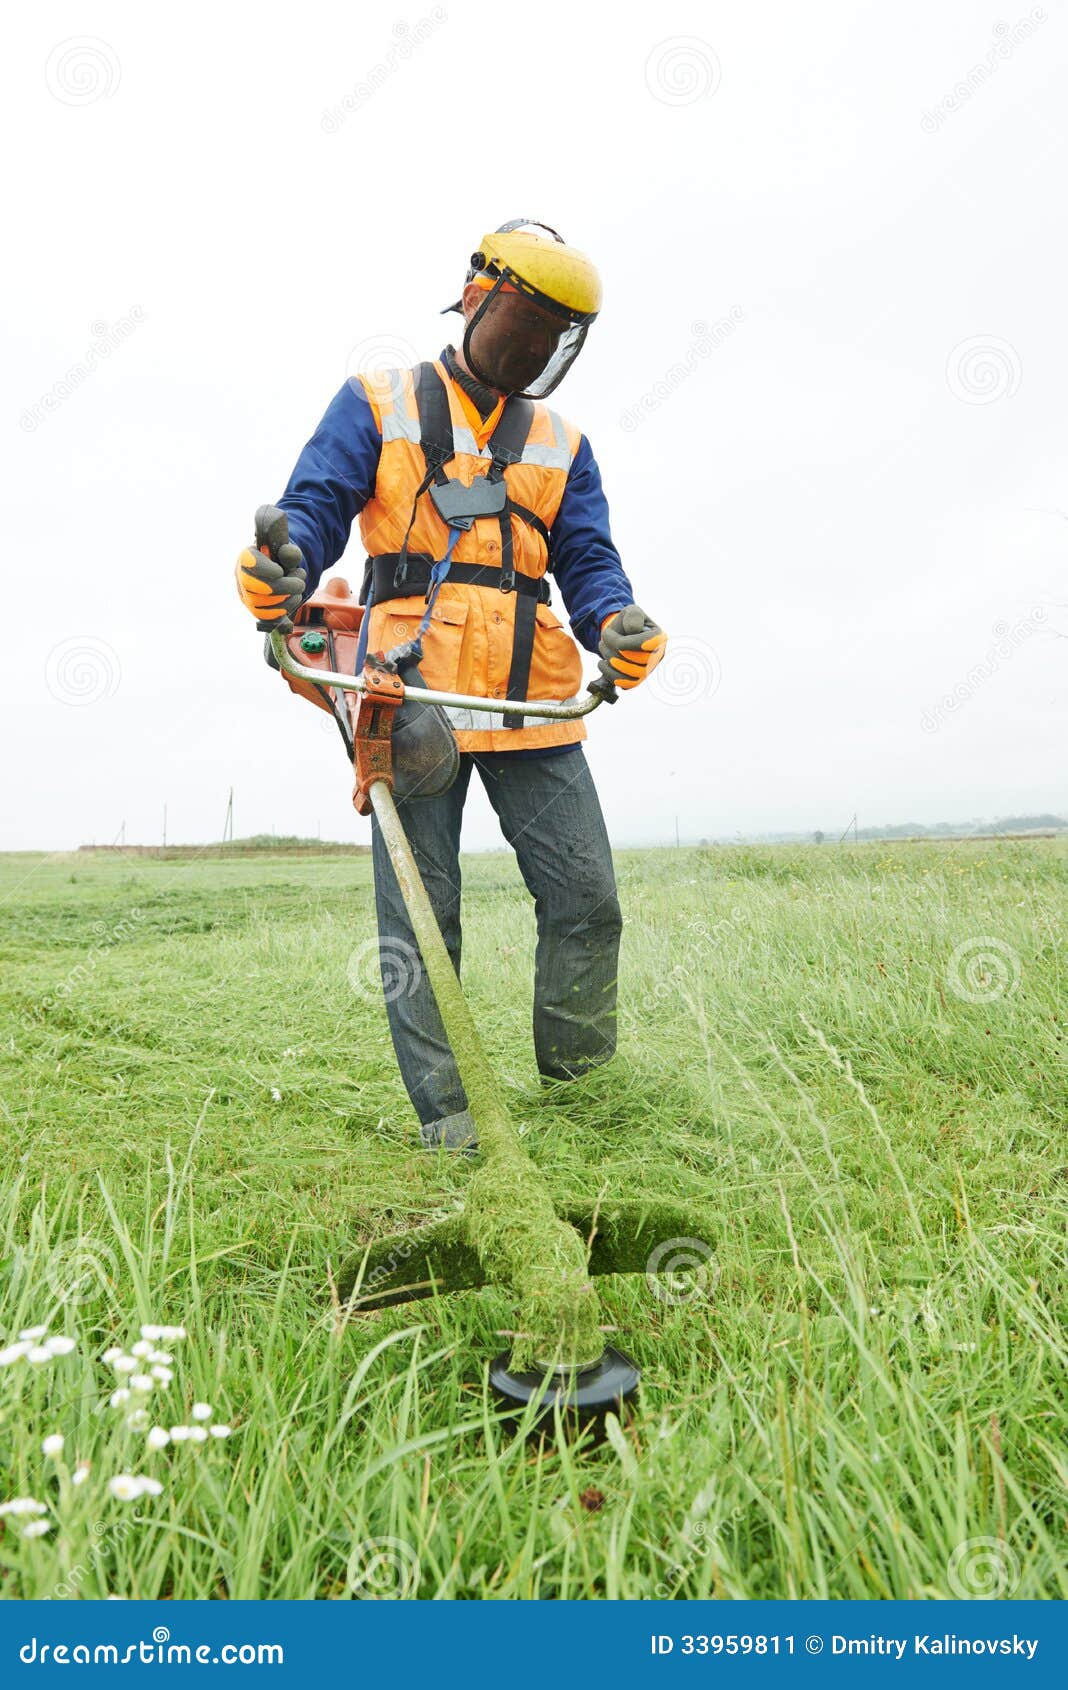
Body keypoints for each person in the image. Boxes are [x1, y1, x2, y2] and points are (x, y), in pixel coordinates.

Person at [235, 220, 668, 1149]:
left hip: (533, 699)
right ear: (476, 298)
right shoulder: (377, 400)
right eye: (523, 327)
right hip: (411, 694)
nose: (534, 351)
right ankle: (455, 1128)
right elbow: (314, 509)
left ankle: (586, 1102)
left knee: (588, 900)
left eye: (553, 339)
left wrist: (615, 625)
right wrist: (287, 566)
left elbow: (588, 560)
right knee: (426, 923)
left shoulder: (562, 443)